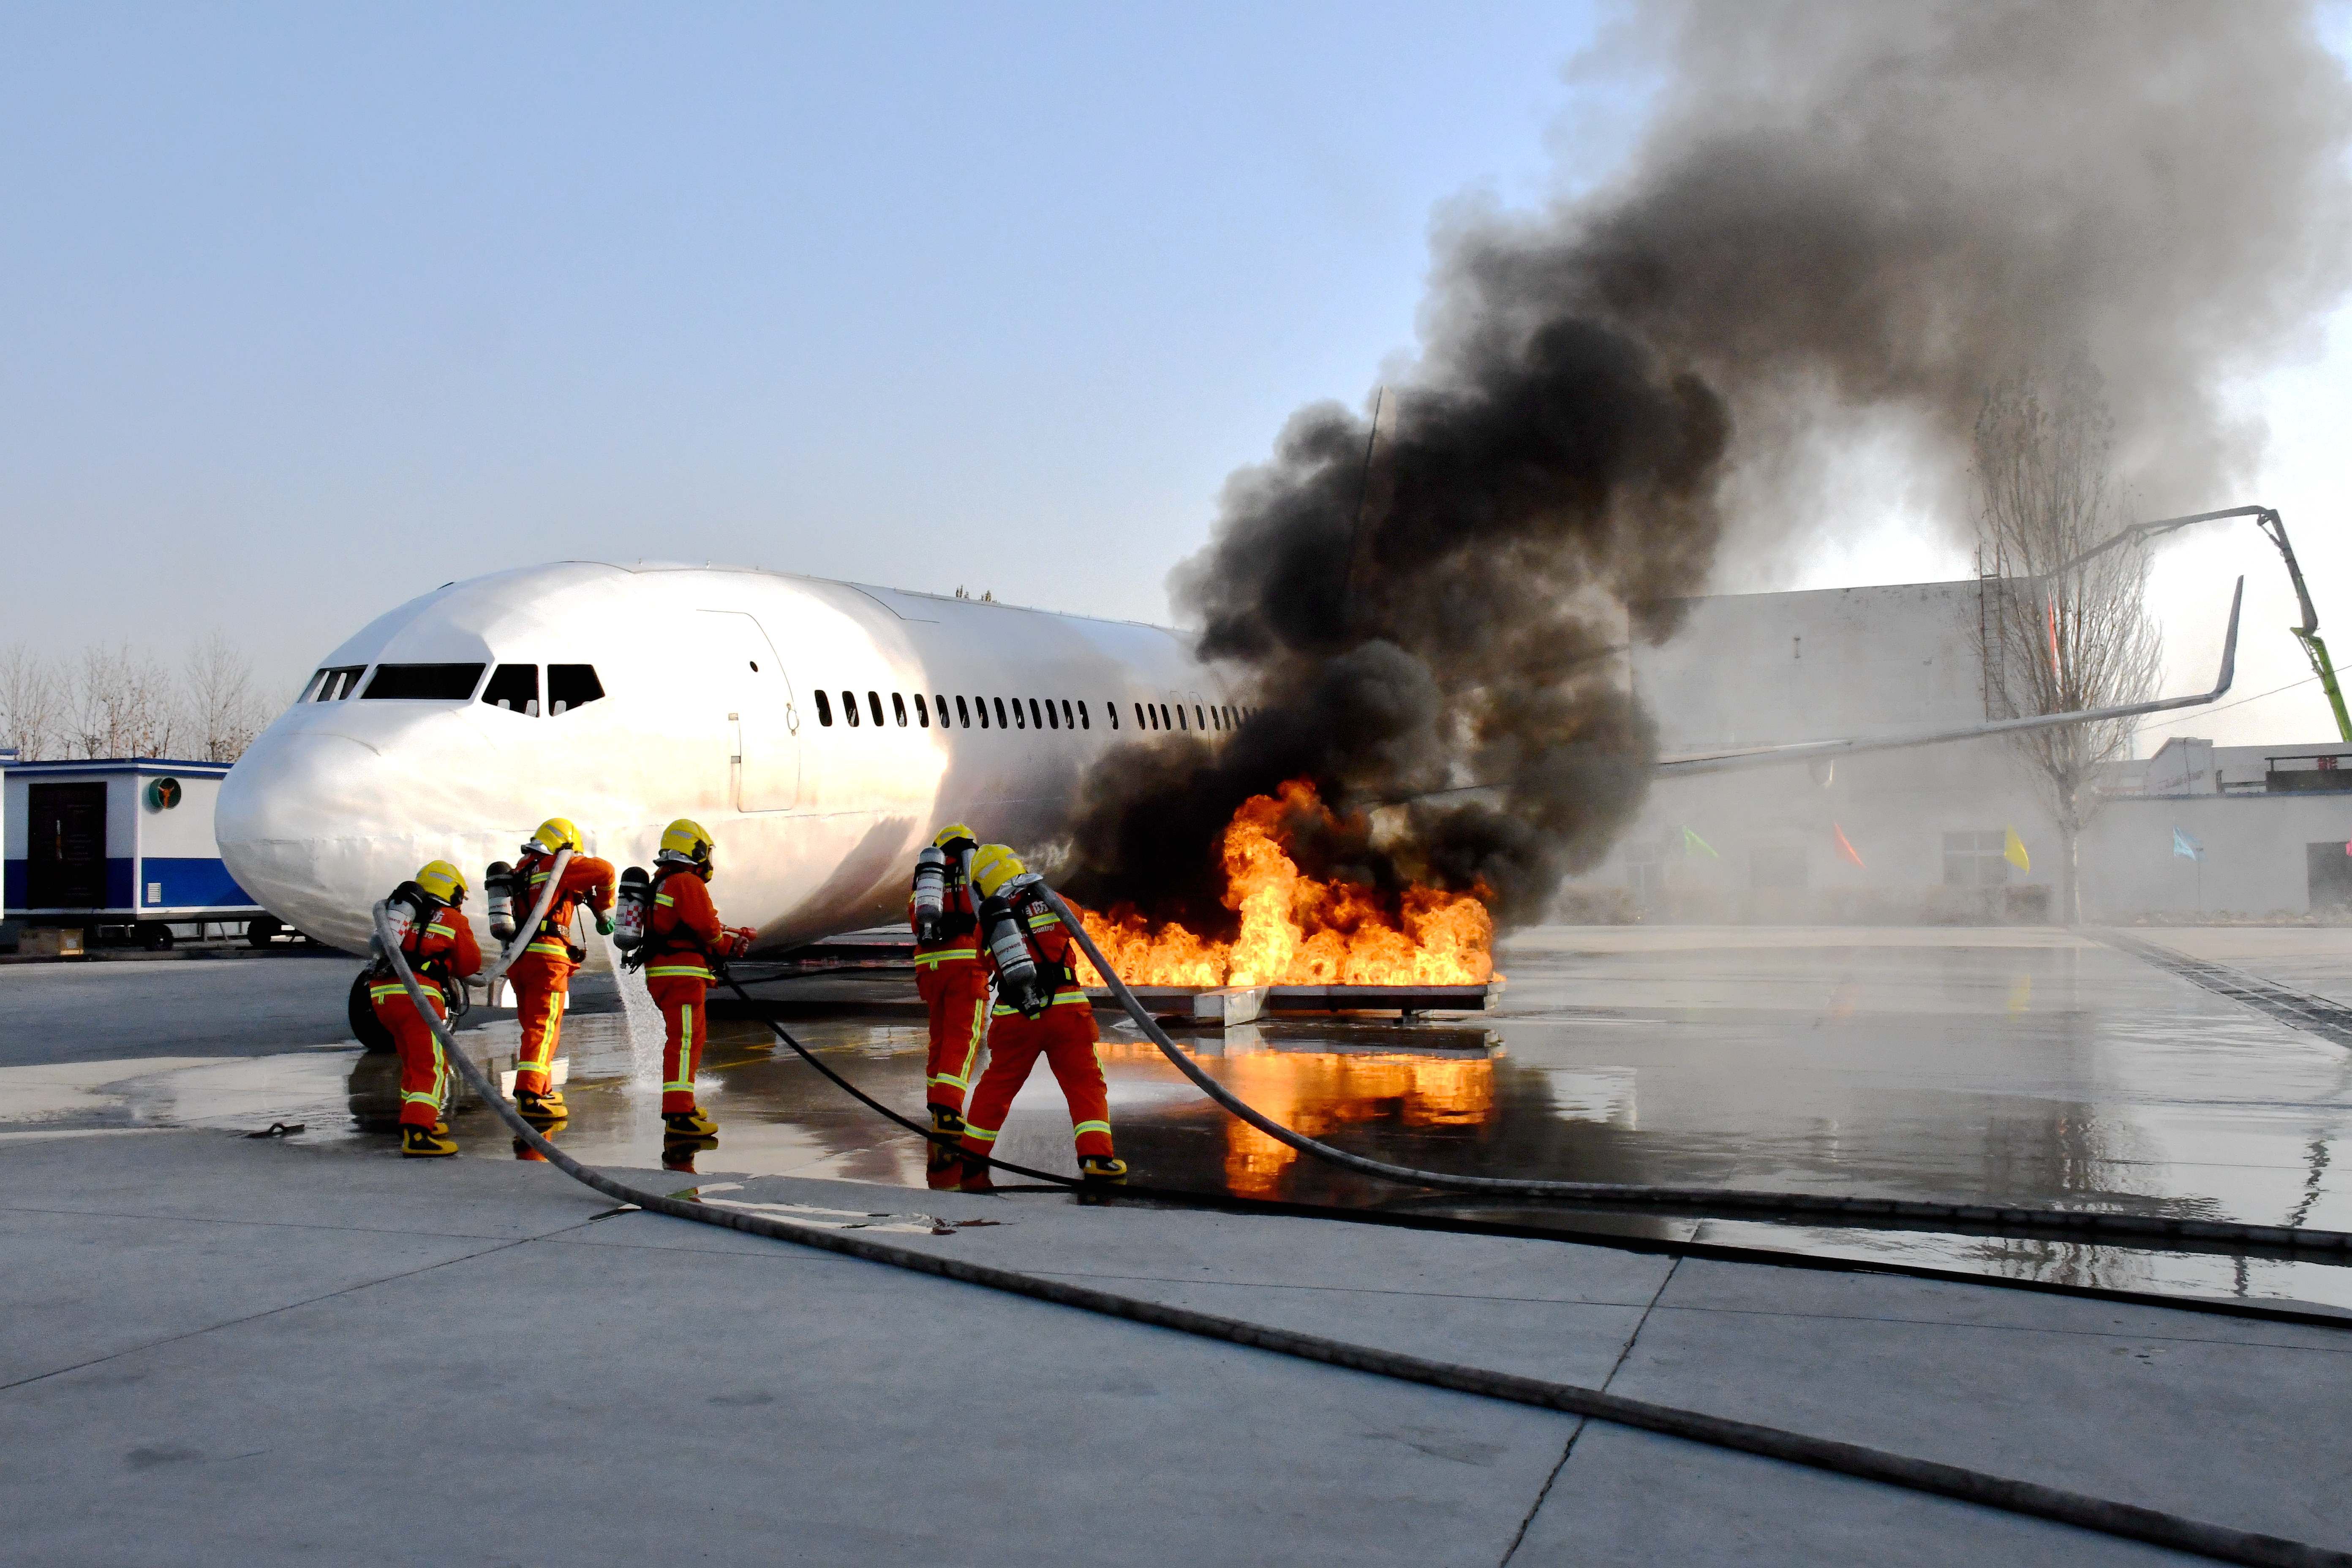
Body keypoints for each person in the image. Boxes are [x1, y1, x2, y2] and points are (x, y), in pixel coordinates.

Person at [955, 844, 1125, 1190]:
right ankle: (1097, 1159)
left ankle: (972, 1155)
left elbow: (985, 961)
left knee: (997, 1086)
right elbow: (1077, 918)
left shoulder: (988, 922)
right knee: (1085, 1084)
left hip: (1015, 1016)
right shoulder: (1049, 899)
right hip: (1066, 1010)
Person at [641, 818, 754, 1142]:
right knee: (685, 1042)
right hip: (682, 977)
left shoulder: (661, 882)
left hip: (665, 974)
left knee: (685, 1040)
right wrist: (730, 945)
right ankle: (680, 1115)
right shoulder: (687, 883)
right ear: (696, 850)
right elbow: (706, 926)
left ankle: (684, 1107)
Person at [503, 817, 614, 1126]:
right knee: (545, 1026)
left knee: (534, 1028)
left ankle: (544, 1089)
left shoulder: (522, 869)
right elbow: (605, 871)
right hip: (547, 958)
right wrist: (604, 905)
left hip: (519, 958)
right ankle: (531, 1096)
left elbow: (540, 900)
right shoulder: (559, 863)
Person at [367, 860, 482, 1158]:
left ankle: (416, 1121)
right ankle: (418, 1136)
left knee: (412, 1064)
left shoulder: (401, 911)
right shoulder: (452, 918)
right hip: (418, 997)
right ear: (453, 891)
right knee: (432, 1066)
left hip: (382, 995)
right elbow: (470, 964)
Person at [909, 823, 988, 1187]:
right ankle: (949, 1109)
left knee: (939, 1038)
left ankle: (936, 1102)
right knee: (964, 1037)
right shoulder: (973, 872)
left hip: (929, 967)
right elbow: (988, 916)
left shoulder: (928, 878)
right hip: (964, 963)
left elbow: (916, 919)